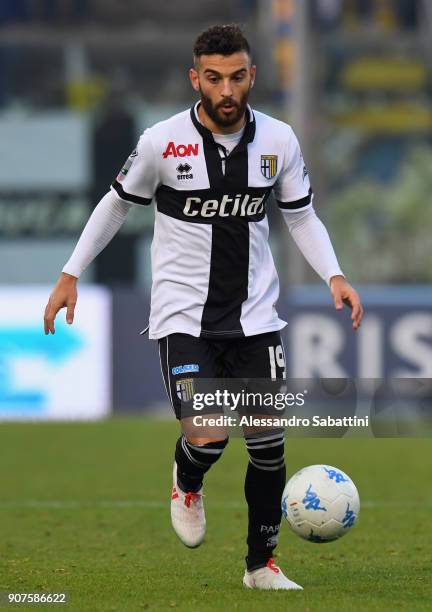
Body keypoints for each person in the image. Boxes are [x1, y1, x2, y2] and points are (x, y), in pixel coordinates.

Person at [44, 24, 363, 590]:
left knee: (267, 444)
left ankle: (260, 566)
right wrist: (70, 273)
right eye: (214, 78)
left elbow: (300, 215)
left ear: (252, 77)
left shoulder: (279, 141)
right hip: (183, 316)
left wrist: (334, 274)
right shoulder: (162, 141)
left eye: (236, 77)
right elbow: (116, 206)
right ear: (196, 79)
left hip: (256, 318)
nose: (226, 90)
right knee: (211, 433)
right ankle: (187, 478)